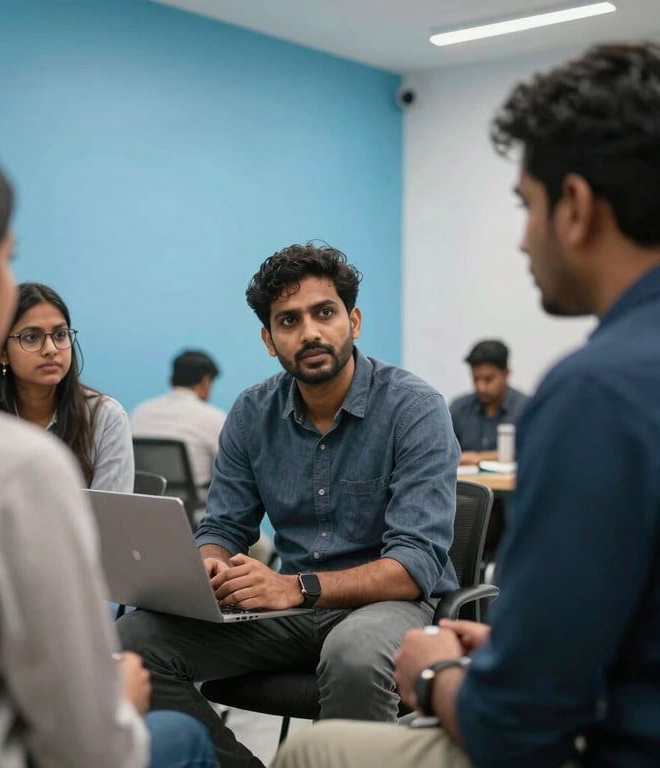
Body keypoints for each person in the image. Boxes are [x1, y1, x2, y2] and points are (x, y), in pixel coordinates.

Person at [271, 42, 660, 768]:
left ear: (575, 208)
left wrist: (431, 672)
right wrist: (519, 647)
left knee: (314, 751)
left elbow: (517, 725)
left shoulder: (592, 394)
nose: (523, 240)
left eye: (527, 206)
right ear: (269, 338)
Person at [0, 126, 217, 768]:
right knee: (182, 736)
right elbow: (88, 746)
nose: (50, 348)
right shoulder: (14, 466)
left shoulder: (100, 417)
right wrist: (120, 700)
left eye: (61, 334)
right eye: (6, 258)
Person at [118, 242, 460, 768]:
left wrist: (294, 587)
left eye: (324, 313)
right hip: (292, 611)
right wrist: (209, 564)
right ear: (269, 339)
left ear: (353, 321)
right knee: (135, 638)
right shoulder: (252, 412)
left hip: (392, 605)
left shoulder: (414, 408)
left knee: (354, 654)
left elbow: (413, 565)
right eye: (288, 320)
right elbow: (223, 526)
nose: (309, 333)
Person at [0, 282, 134, 492]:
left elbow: (111, 510)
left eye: (60, 335)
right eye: (31, 337)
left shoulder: (105, 418)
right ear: (2, 352)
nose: (51, 349)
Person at [130, 350, 226, 490]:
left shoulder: (139, 412)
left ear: (172, 379)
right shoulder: (214, 418)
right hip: (193, 501)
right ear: (206, 381)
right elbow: (230, 468)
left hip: (144, 499)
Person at [449, 339, 528, 465]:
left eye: (488, 379)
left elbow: (534, 449)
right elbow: (442, 451)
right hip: (465, 478)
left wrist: (480, 457)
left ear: (506, 374)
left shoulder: (525, 408)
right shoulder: (459, 408)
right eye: (476, 379)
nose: (481, 387)